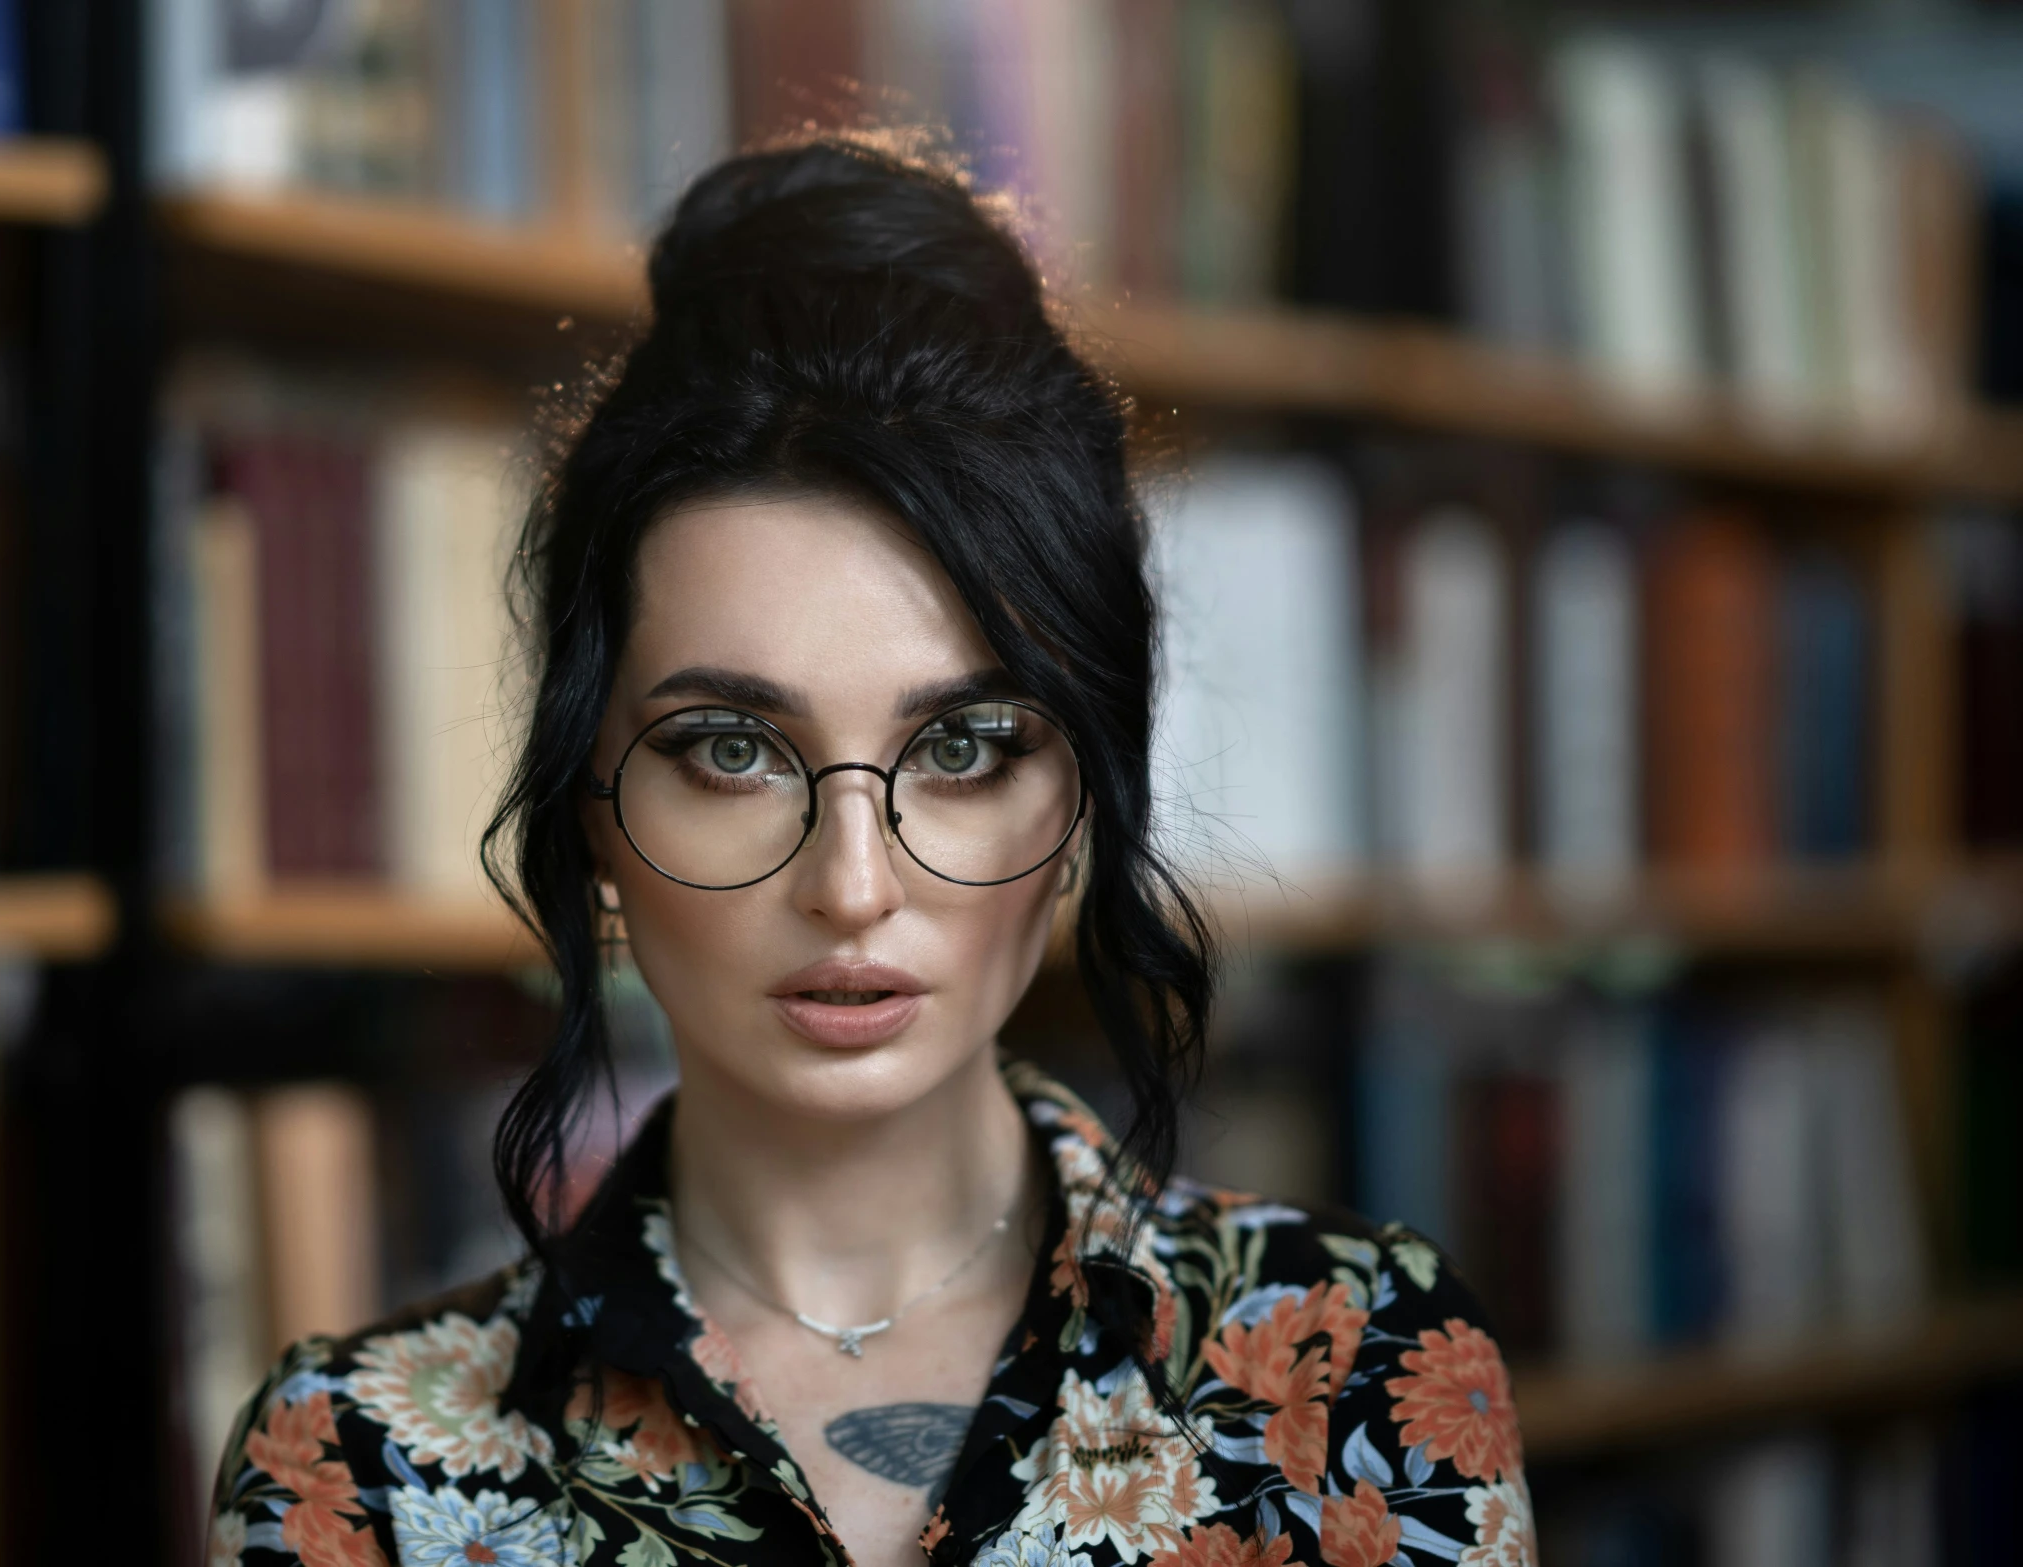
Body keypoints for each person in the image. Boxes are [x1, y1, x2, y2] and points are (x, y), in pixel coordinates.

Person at [206, 139, 1534, 1567]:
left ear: (1080, 785)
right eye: (730, 746)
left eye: (961, 749)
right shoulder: (359, 1458)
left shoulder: (1356, 1369)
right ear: (589, 801)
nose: (850, 885)